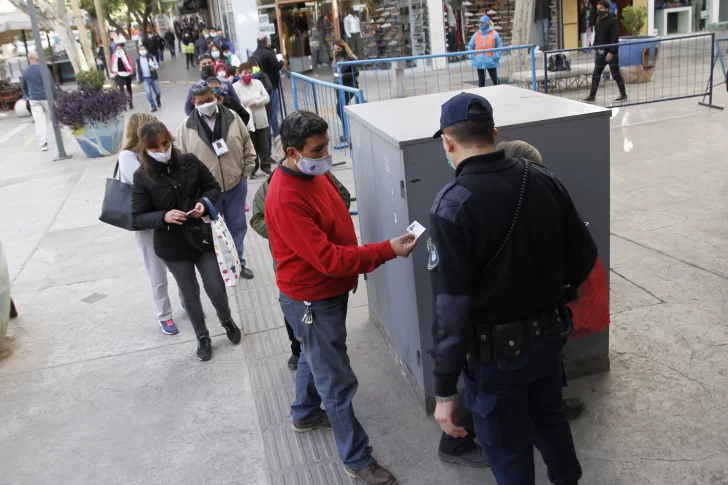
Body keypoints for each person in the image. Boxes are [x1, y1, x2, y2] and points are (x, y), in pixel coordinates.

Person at [429, 92, 597, 485]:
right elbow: (584, 255)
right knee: (551, 424)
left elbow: (450, 309)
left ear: (447, 142)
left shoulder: (451, 206)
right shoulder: (542, 179)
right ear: (495, 133)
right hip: (548, 341)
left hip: (495, 360)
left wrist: (443, 391)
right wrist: (553, 294)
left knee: (508, 450)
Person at [265, 110, 417, 485]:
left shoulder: (312, 174)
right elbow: (330, 259)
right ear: (292, 152)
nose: (325, 154)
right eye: (317, 149)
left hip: (321, 298)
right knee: (336, 381)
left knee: (313, 354)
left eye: (326, 145)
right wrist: (386, 250)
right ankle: (356, 457)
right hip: (312, 300)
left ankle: (304, 414)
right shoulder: (286, 197)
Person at [131, 120, 242, 361]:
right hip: (172, 246)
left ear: (170, 139)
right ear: (145, 149)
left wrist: (203, 202)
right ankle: (202, 336)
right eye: (155, 148)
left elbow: (212, 187)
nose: (162, 151)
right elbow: (137, 217)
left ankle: (227, 320)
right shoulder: (142, 177)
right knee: (189, 293)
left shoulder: (189, 161)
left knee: (215, 285)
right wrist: (164, 216)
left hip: (201, 237)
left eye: (165, 144)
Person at [250, 165, 351, 370]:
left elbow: (343, 196)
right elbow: (257, 219)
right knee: (293, 308)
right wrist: (289, 231)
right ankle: (297, 349)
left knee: (332, 317)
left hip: (326, 262)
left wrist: (322, 225)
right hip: (291, 266)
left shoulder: (321, 175)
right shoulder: (271, 187)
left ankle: (319, 352)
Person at [177, 81, 256, 280]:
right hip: (207, 193)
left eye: (209, 99)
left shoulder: (232, 117)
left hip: (236, 184)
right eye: (201, 101)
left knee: (237, 226)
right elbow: (183, 162)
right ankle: (221, 268)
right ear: (194, 103)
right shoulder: (186, 127)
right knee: (213, 231)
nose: (206, 104)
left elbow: (247, 146)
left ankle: (238, 264)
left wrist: (245, 173)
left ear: (215, 96)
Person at [119, 113, 179, 335]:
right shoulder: (127, 156)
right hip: (146, 223)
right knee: (157, 272)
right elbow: (145, 180)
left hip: (168, 216)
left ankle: (186, 301)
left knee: (179, 265)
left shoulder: (158, 152)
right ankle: (165, 315)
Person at [583, 0, 627, 103]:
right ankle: (592, 96)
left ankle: (623, 94)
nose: (599, 10)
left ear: (607, 9)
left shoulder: (612, 21)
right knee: (596, 74)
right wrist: (595, 46)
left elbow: (614, 38)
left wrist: (612, 52)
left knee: (615, 74)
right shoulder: (599, 19)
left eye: (601, 8)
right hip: (600, 52)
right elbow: (597, 34)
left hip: (611, 53)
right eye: (598, 8)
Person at [234, 62, 273, 176]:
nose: (248, 75)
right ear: (240, 74)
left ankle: (266, 167)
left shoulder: (258, 83)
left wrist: (256, 102)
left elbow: (266, 97)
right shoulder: (236, 87)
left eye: (250, 72)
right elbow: (237, 102)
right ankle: (252, 169)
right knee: (252, 146)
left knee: (264, 145)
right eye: (245, 73)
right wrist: (246, 104)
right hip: (247, 121)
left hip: (260, 118)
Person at [253, 35, 284, 140]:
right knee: (274, 109)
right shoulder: (269, 53)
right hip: (272, 84)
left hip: (260, 86)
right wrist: (282, 62)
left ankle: (269, 131)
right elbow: (277, 65)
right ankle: (275, 132)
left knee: (268, 110)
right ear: (266, 42)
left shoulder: (254, 54)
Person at [21, 51, 52, 151]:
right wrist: (54, 96)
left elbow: (23, 87)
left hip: (33, 99)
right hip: (46, 97)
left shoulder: (25, 71)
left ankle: (43, 143)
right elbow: (51, 84)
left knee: (39, 121)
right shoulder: (43, 69)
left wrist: (29, 95)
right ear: (36, 58)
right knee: (52, 117)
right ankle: (60, 136)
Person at [468, 15, 502, 87]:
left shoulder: (494, 34)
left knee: (495, 80)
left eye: (483, 22)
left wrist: (495, 57)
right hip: (479, 61)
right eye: (480, 22)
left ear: (487, 23)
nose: (481, 24)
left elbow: (499, 46)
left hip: (491, 61)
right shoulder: (476, 35)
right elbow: (470, 46)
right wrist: (473, 57)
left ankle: (500, 94)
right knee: (481, 82)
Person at [331, 40, 359, 124]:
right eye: (335, 49)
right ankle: (347, 130)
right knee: (343, 108)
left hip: (349, 86)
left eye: (339, 49)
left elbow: (356, 73)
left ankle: (348, 128)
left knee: (339, 108)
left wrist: (342, 76)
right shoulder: (335, 59)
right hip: (339, 86)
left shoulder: (350, 58)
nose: (336, 51)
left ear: (344, 48)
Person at [136, 45, 162, 112]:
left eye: (143, 49)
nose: (142, 51)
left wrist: (154, 68)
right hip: (145, 79)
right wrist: (138, 79)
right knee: (148, 93)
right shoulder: (138, 59)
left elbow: (157, 65)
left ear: (146, 50)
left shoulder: (151, 57)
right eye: (140, 50)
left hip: (153, 77)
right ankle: (153, 106)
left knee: (157, 92)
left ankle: (158, 100)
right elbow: (137, 69)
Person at [110, 42, 134, 109]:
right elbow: (113, 64)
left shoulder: (126, 55)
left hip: (127, 73)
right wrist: (115, 73)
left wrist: (131, 72)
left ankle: (130, 102)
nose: (118, 50)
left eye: (120, 48)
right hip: (119, 74)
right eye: (117, 49)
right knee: (121, 89)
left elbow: (130, 63)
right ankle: (123, 104)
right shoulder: (114, 56)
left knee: (129, 88)